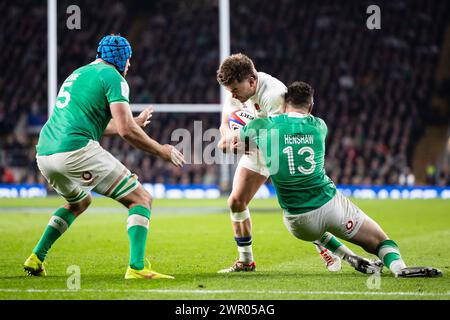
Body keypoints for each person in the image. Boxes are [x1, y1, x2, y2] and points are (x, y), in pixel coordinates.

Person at [222, 81, 442, 277]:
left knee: (314, 228)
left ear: (284, 104)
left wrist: (237, 137)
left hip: (297, 224)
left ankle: (345, 256)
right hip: (330, 206)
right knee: (381, 242)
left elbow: (230, 141)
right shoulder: (320, 126)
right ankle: (399, 268)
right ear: (310, 106)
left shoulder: (262, 127)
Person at [23, 34, 185, 280]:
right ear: (121, 58)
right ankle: (137, 268)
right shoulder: (114, 77)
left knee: (79, 202)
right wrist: (161, 150)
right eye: (129, 59)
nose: (129, 65)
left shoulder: (77, 74)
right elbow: (125, 131)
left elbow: (100, 124)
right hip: (76, 150)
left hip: (45, 153)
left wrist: (134, 121)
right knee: (141, 199)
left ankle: (36, 257)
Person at [216, 53, 367, 274]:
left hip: (281, 149)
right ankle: (246, 262)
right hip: (257, 143)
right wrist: (230, 135)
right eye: (230, 91)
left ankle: (327, 246)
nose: (233, 95)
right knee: (236, 202)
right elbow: (225, 122)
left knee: (294, 206)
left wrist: (242, 142)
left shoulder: (274, 94)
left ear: (251, 81)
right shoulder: (236, 90)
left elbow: (280, 137)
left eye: (235, 90)